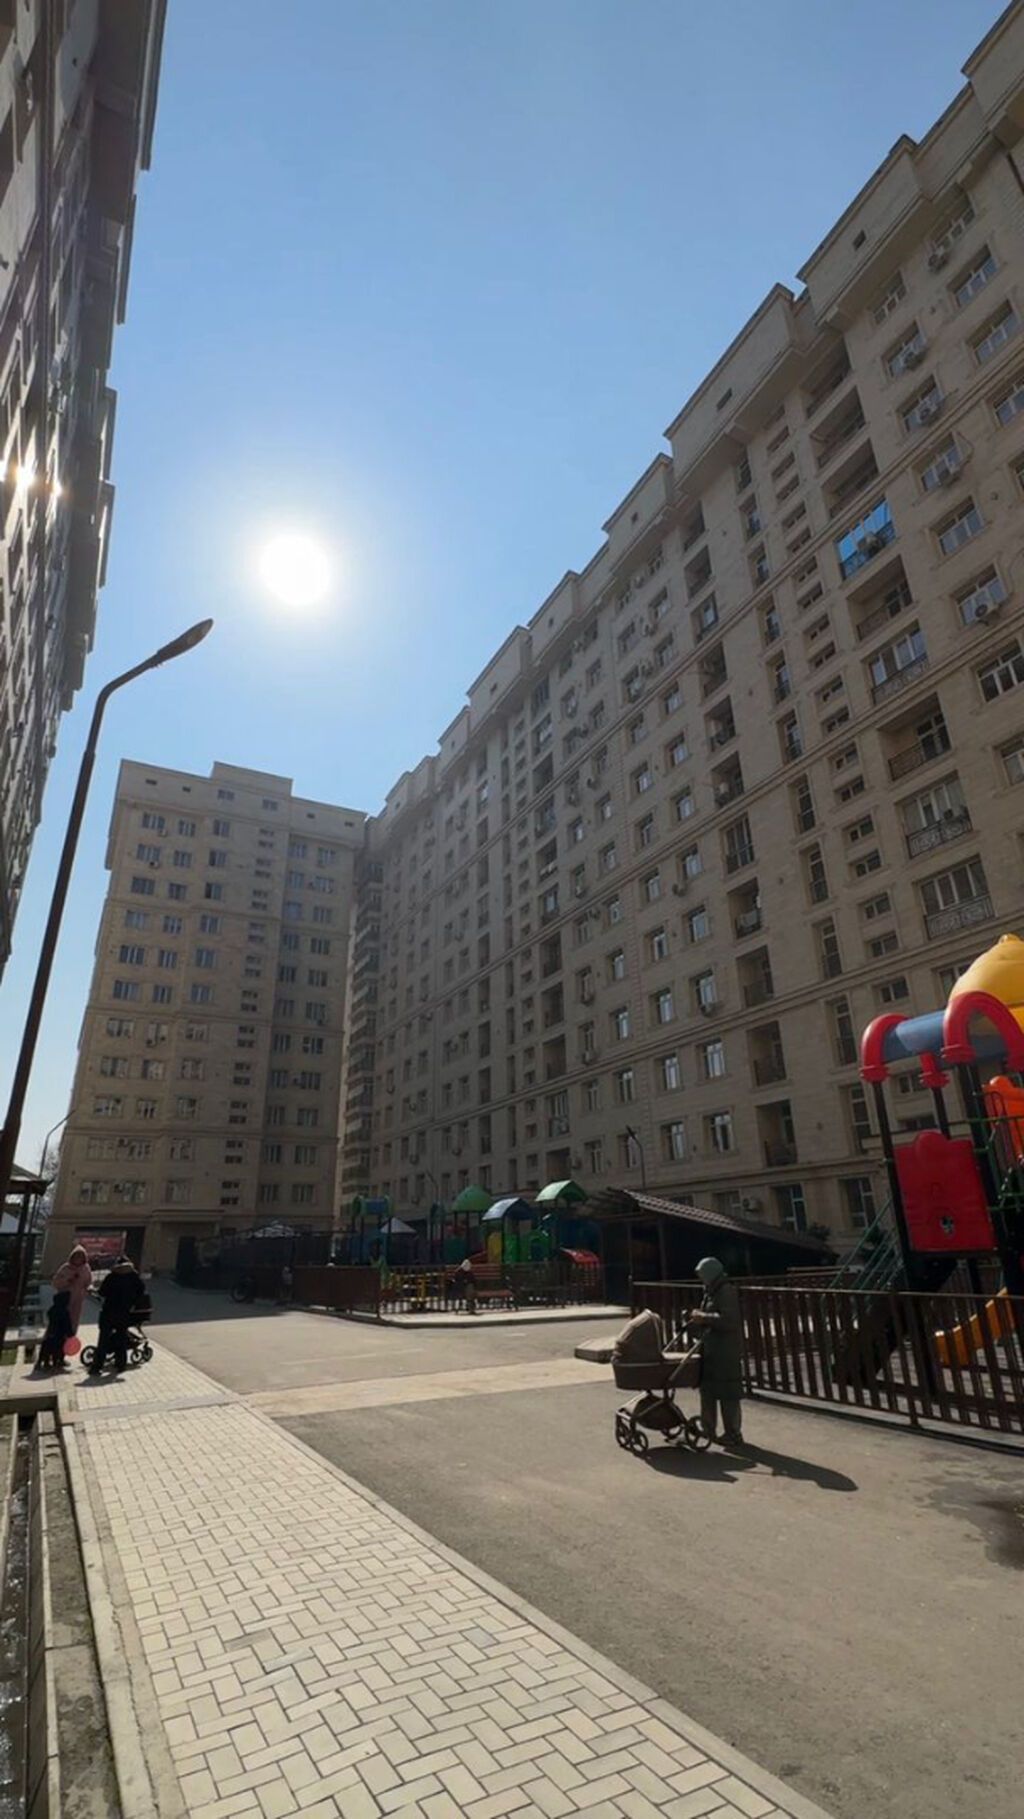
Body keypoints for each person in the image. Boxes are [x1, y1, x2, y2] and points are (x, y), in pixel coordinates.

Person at [688, 1256, 744, 1446]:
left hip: (725, 1351)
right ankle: (708, 1428)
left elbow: (729, 1320)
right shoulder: (710, 1291)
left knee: (728, 1392)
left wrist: (704, 1317)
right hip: (711, 1349)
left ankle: (733, 1433)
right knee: (708, 1390)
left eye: (702, 1275)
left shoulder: (726, 1291)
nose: (701, 1279)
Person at [88, 1255, 149, 1375]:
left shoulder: (112, 1276)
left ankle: (97, 1367)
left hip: (109, 1311)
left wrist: (95, 1290)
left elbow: (102, 1292)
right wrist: (132, 1301)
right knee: (121, 1338)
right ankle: (121, 1365)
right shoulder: (134, 1277)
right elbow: (141, 1290)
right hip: (124, 1312)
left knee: (103, 1340)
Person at [51, 1244, 93, 1336]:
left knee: (74, 1318)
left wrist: (88, 1288)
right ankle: (59, 1334)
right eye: (76, 1256)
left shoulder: (86, 1268)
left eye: (81, 1257)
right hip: (65, 1298)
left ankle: (71, 1336)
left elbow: (89, 1281)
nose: (78, 1259)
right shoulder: (65, 1268)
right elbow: (55, 1283)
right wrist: (67, 1280)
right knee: (63, 1318)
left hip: (78, 1299)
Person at [38, 1288, 73, 1370]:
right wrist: (70, 1334)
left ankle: (45, 1363)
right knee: (59, 1348)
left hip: (51, 1332)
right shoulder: (64, 1312)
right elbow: (67, 1324)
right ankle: (57, 1361)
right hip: (59, 1334)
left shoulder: (52, 1310)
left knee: (47, 1348)